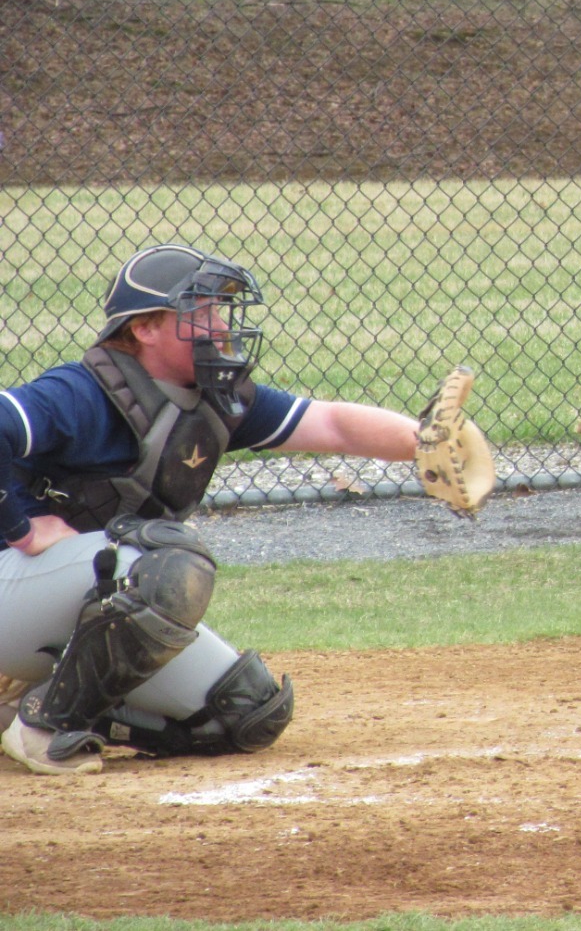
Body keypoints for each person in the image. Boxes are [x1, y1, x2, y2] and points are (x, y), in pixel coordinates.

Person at [1, 244, 449, 775]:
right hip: (14, 588)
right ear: (145, 328)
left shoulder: (214, 399)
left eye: (221, 309)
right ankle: (44, 729)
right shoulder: (82, 393)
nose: (220, 325)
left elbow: (331, 423)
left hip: (71, 603)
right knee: (164, 564)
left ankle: (19, 702)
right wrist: (23, 527)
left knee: (243, 712)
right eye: (202, 310)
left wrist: (428, 444)